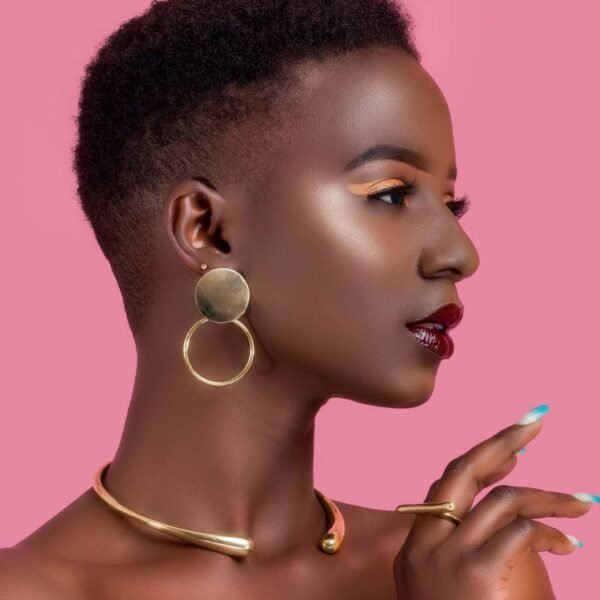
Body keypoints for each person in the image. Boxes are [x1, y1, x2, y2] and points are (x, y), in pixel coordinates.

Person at [1, 0, 596, 598]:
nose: (460, 253)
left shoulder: (469, 576)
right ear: (208, 230)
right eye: (391, 194)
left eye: (450, 204)